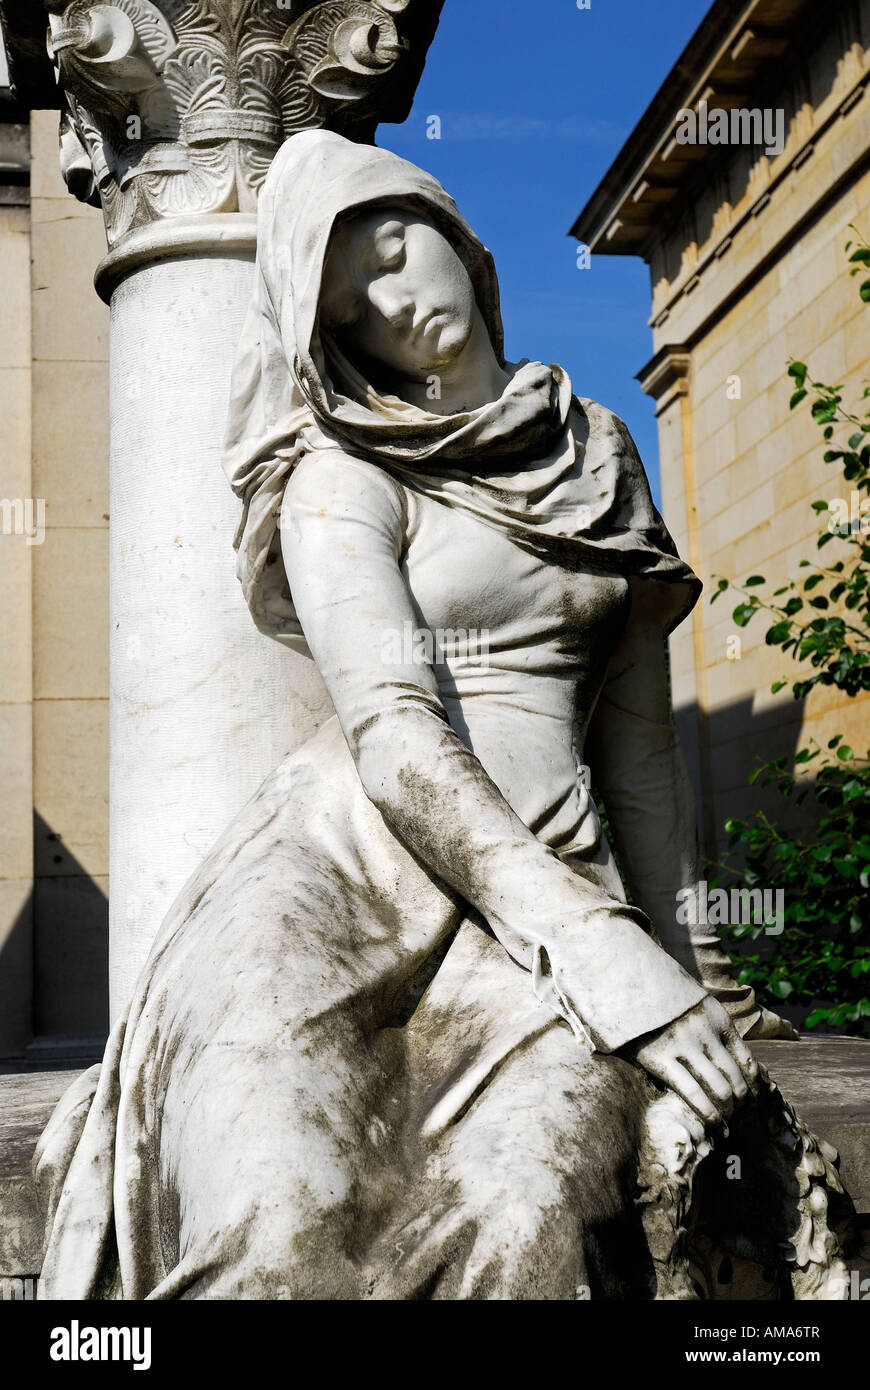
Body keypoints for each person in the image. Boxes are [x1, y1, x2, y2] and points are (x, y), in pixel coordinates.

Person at [34, 130, 843, 1301]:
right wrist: (604, 952)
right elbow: (395, 734)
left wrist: (680, 965)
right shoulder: (339, 475)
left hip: (548, 890)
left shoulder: (601, 453)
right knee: (272, 1215)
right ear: (337, 343)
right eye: (356, 304)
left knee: (531, 1209)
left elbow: (640, 746)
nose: (399, 303)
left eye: (398, 249)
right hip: (334, 884)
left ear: (459, 237)